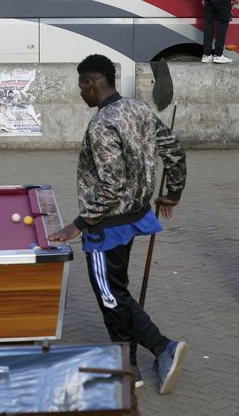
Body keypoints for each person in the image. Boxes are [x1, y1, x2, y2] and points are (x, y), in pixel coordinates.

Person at [48, 54, 188, 395]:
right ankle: (130, 368)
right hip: (135, 216)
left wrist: (77, 224)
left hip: (106, 223)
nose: (80, 92)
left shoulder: (101, 125)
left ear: (94, 83)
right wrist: (172, 193)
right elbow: (174, 152)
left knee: (110, 296)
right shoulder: (138, 108)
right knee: (117, 290)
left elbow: (110, 185)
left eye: (82, 86)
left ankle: (161, 347)